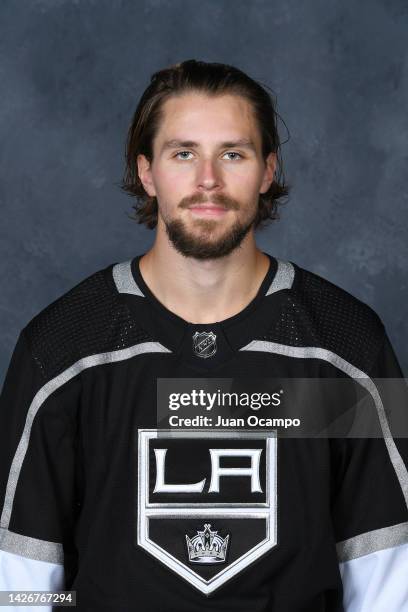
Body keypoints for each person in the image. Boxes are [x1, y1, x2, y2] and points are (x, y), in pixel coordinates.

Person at [0, 59, 407, 611]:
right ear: (147, 172)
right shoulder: (61, 350)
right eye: (183, 153)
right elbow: (17, 586)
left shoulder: (345, 347)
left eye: (232, 154)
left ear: (267, 170)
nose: (207, 180)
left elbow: (386, 581)